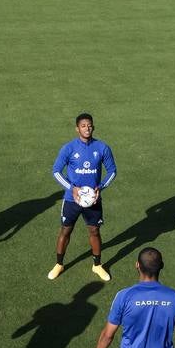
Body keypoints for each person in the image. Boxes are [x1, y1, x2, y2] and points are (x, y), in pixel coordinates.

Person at [50, 113, 116, 283]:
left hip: (93, 200)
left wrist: (100, 188)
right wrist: (72, 189)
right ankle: (59, 264)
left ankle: (97, 265)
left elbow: (112, 171)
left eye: (90, 125)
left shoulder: (102, 148)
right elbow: (56, 171)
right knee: (66, 230)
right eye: (84, 125)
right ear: (77, 128)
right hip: (72, 200)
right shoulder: (69, 148)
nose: (87, 128)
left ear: (93, 127)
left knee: (94, 231)